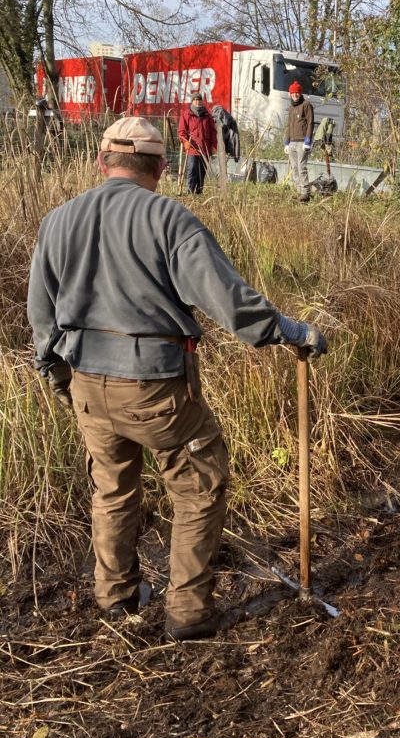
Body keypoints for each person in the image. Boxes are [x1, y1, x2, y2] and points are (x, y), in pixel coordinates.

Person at [27, 116, 328, 641]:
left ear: (102, 163)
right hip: (154, 385)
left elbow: (41, 314)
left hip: (86, 382)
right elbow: (227, 300)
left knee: (113, 487)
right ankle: (188, 611)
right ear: (163, 167)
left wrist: (57, 373)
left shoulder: (58, 220)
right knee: (199, 482)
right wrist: (288, 330)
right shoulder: (170, 219)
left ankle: (115, 595)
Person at [178, 91, 217, 194]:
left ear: (201, 102)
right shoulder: (186, 114)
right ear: (192, 101)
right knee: (192, 170)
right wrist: (185, 142)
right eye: (195, 100)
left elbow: (213, 131)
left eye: (199, 100)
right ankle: (190, 192)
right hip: (192, 148)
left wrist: (214, 145)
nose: (197, 102)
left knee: (202, 171)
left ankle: (199, 192)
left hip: (205, 147)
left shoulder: (207, 115)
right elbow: (181, 132)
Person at [283, 81, 314, 203]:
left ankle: (306, 192)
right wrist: (286, 142)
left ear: (300, 93)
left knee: (302, 167)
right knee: (294, 168)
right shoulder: (291, 108)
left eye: (297, 92)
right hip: (292, 143)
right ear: (290, 94)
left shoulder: (306, 105)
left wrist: (308, 140)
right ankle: (299, 190)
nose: (295, 94)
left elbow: (310, 123)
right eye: (292, 92)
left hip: (302, 142)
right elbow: (289, 125)